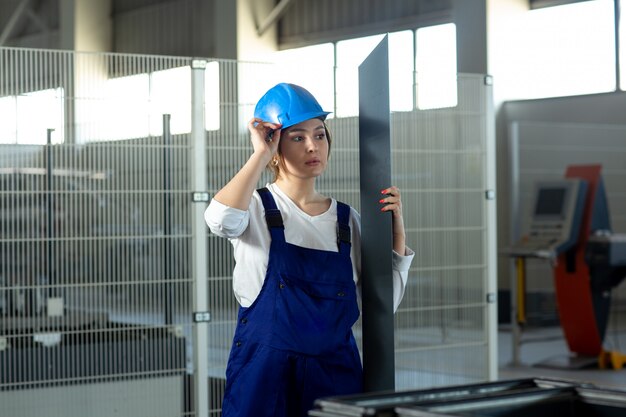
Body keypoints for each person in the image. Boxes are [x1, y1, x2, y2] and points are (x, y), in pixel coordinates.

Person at [204, 83, 414, 417]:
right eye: (298, 137)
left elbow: (382, 303)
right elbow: (220, 220)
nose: (313, 146)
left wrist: (397, 232)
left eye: (319, 135)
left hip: (334, 375)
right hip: (265, 377)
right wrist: (259, 154)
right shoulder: (255, 208)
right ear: (275, 143)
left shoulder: (346, 221)